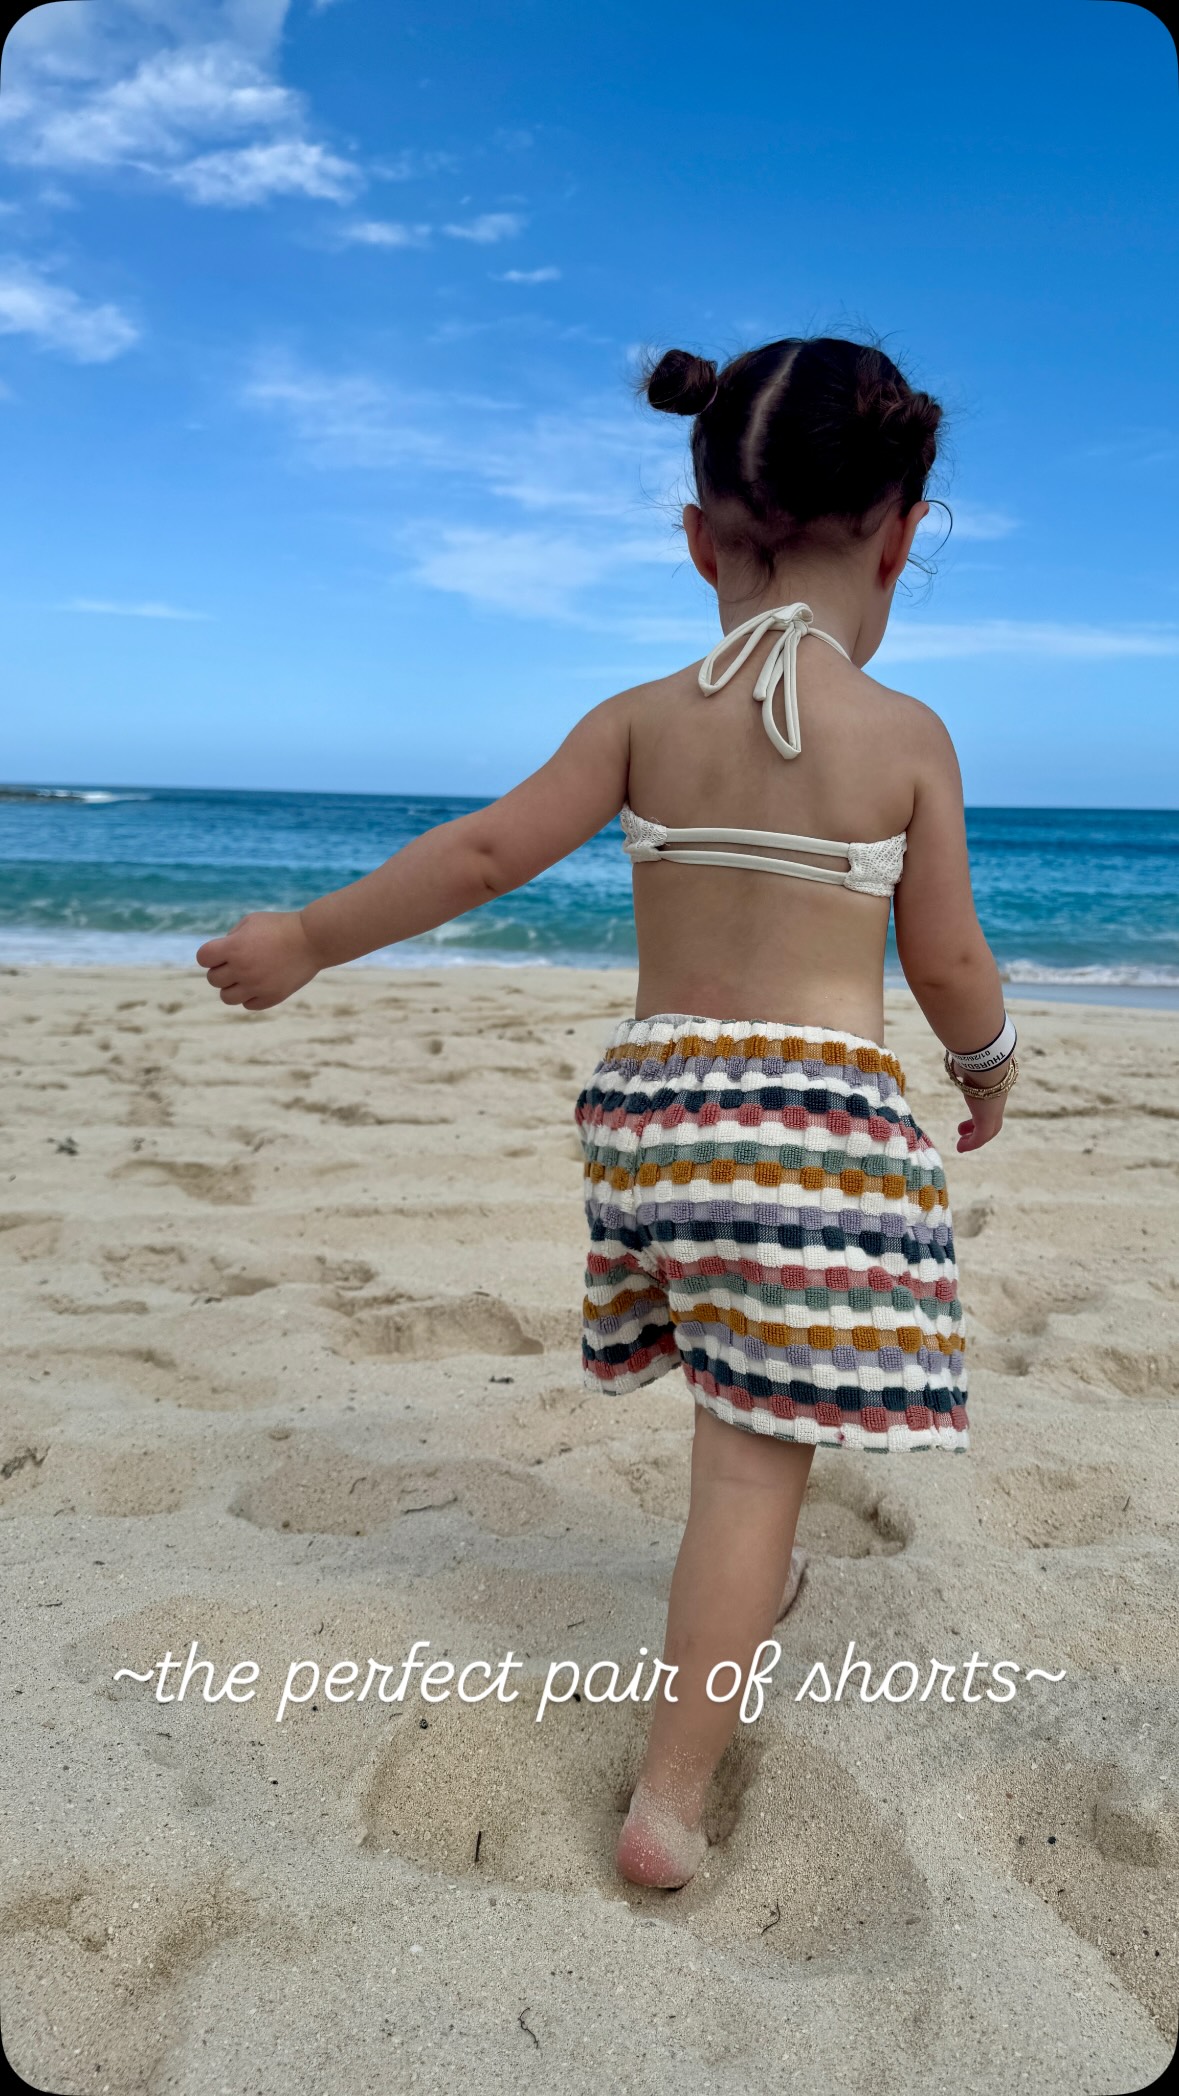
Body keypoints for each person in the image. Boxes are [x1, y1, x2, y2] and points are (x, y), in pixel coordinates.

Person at [196, 334, 1017, 1893]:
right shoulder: (907, 738)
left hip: (651, 1122)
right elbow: (952, 958)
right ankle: (670, 1799)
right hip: (807, 1131)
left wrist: (304, 939)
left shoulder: (641, 715)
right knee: (750, 1465)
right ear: (907, 530)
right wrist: (990, 1066)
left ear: (700, 533)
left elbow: (485, 855)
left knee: (729, 1382)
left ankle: (741, 1579)